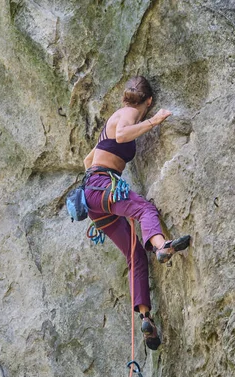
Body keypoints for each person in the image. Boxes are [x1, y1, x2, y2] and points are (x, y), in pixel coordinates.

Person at [82, 76, 191, 350]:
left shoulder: (115, 116)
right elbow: (122, 136)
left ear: (125, 97)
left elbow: (87, 160)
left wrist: (99, 180)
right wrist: (154, 121)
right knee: (144, 208)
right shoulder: (130, 114)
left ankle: (146, 316)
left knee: (134, 254)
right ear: (149, 101)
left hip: (92, 194)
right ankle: (162, 245)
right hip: (103, 186)